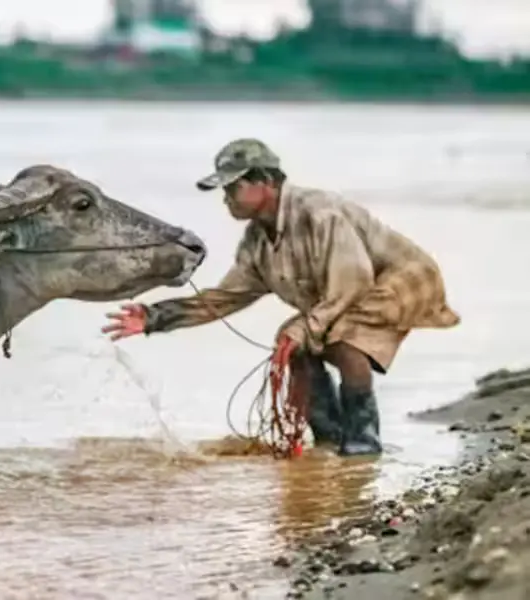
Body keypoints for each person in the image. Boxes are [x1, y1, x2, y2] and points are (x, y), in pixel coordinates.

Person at [102, 138, 461, 456]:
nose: (226, 199)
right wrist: (156, 317)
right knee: (293, 344)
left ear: (265, 182)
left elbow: (351, 286)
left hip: (402, 279)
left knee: (343, 342)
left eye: (232, 188)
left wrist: (305, 328)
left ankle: (363, 445)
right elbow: (227, 296)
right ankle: (328, 440)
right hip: (345, 293)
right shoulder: (257, 240)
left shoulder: (322, 215)